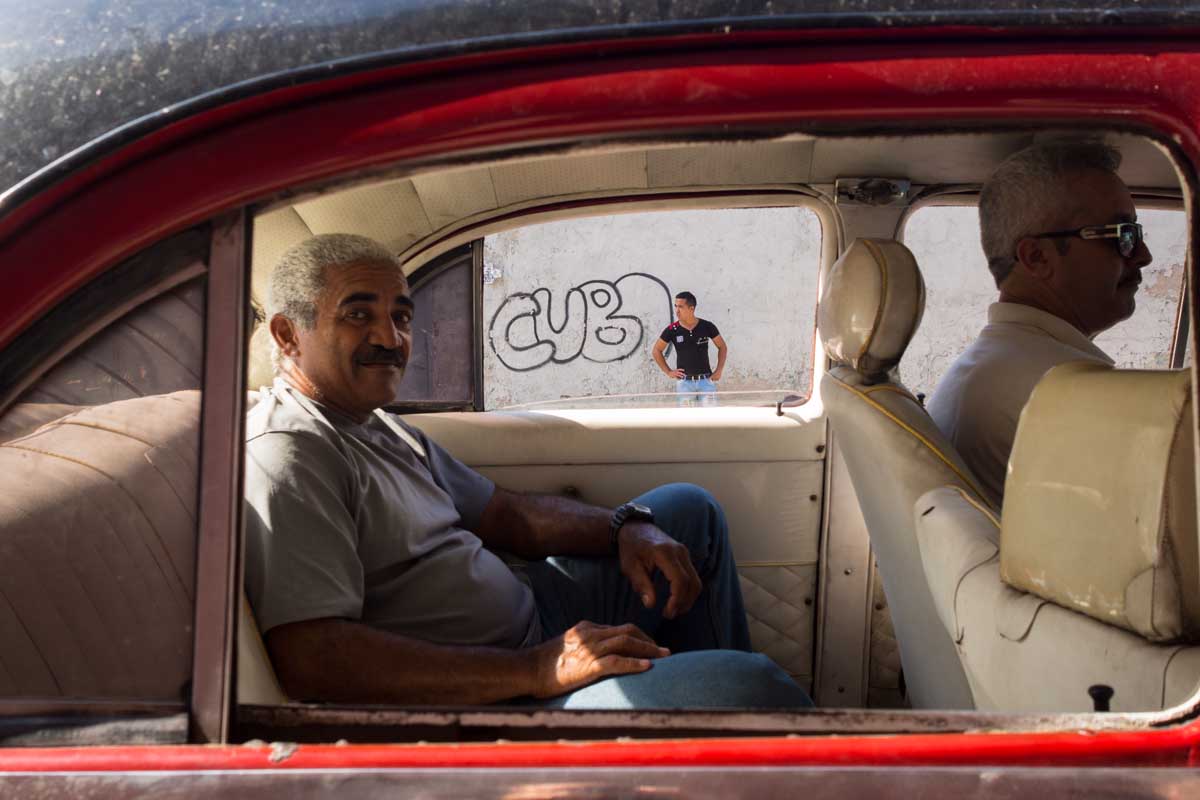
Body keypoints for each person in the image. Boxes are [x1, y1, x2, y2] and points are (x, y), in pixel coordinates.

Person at [243, 233, 811, 709]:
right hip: (495, 692)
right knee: (755, 688)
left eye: (401, 316)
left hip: (535, 616)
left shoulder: (375, 425)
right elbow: (313, 659)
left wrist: (626, 527)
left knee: (689, 514)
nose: (391, 339)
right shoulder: (292, 451)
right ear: (289, 334)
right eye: (358, 314)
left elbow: (505, 513)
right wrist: (534, 671)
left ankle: (696, 738)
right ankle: (713, 713)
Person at [928, 140, 1153, 506]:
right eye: (1122, 236)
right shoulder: (1062, 390)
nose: (1143, 256)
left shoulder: (997, 363)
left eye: (1137, 234)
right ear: (1036, 257)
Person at [652, 292, 728, 406]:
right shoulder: (672, 329)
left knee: (711, 418)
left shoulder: (707, 326)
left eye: (681, 307)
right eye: (675, 306)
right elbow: (656, 350)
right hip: (685, 384)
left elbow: (722, 346)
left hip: (706, 382)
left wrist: (719, 370)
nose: (677, 310)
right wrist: (668, 372)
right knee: (687, 420)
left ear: (691, 308)